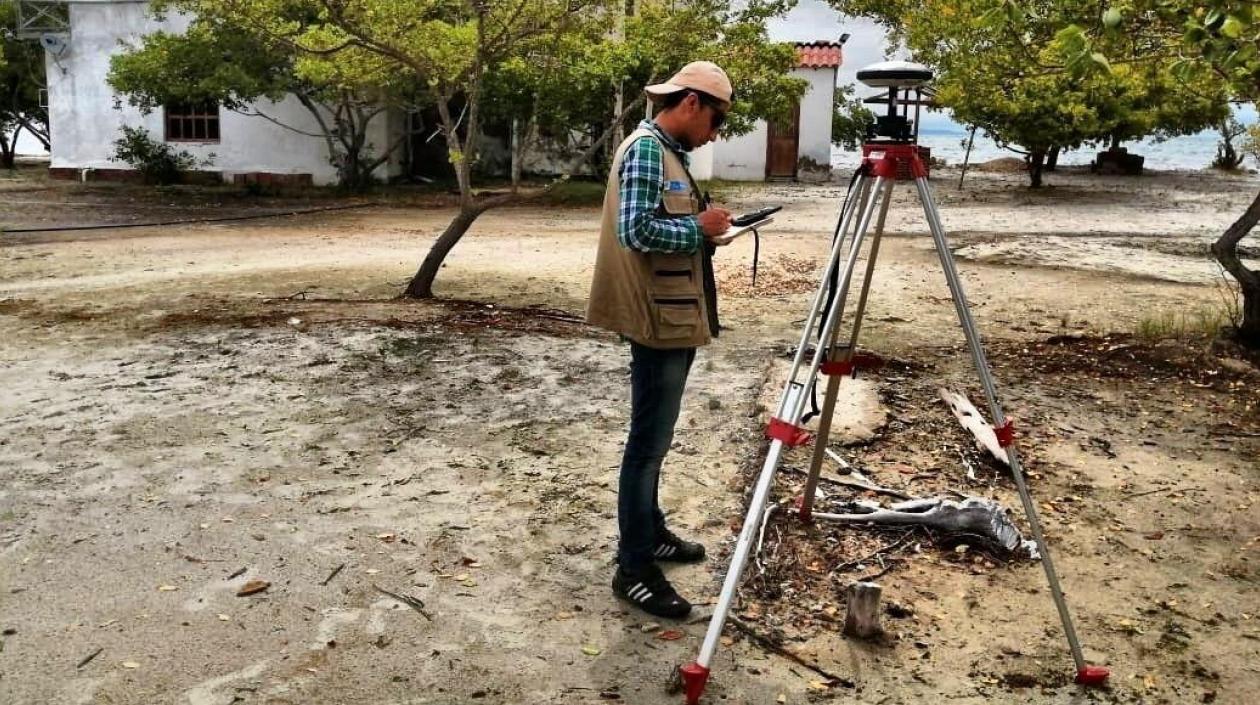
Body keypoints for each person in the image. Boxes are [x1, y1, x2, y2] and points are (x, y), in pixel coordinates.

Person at [586, 61, 735, 619]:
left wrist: (708, 228)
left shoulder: (664, 150)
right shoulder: (650, 149)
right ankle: (634, 568)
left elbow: (657, 225)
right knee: (647, 445)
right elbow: (636, 230)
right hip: (657, 318)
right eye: (715, 119)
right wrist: (699, 227)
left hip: (670, 312)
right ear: (691, 103)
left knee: (655, 440)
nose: (715, 133)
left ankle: (652, 534)